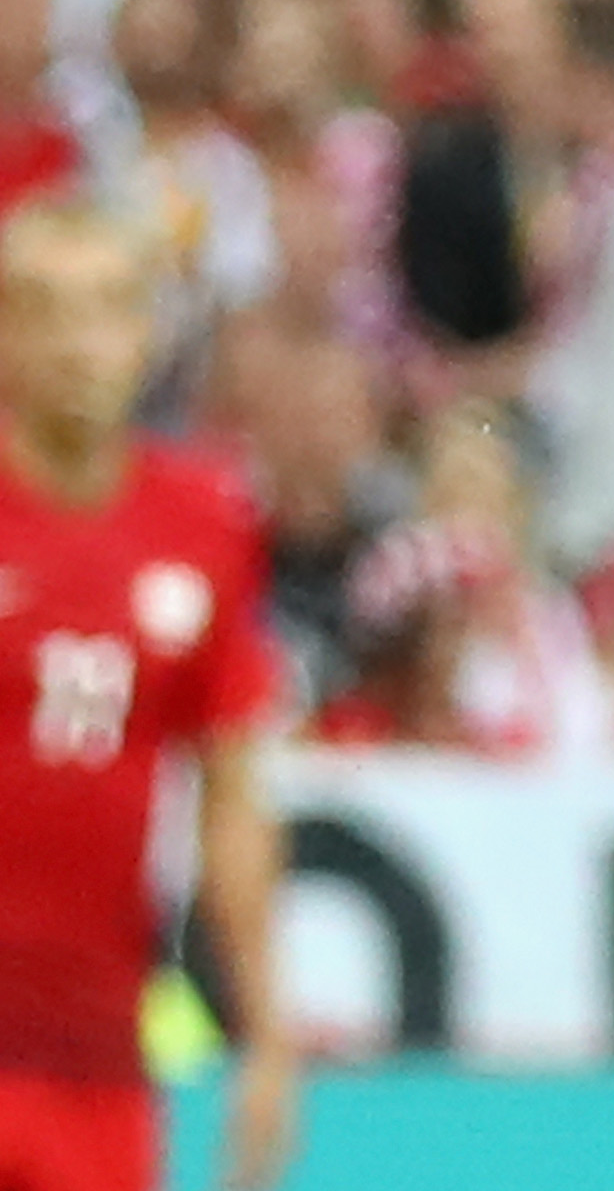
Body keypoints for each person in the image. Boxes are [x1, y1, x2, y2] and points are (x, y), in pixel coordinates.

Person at [0, 200, 300, 1191]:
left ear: (147, 332)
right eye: (45, 311)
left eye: (111, 310)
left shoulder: (201, 525)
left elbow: (231, 794)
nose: (82, 343)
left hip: (97, 1059)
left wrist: (267, 1030)